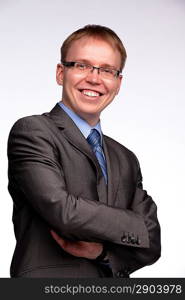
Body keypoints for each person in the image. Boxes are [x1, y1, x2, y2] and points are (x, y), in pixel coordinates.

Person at [7, 24, 161, 278]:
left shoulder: (126, 158)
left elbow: (152, 245)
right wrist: (138, 226)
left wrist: (100, 252)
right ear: (60, 73)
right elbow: (63, 212)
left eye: (107, 70)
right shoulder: (33, 131)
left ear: (118, 82)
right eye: (82, 65)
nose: (94, 78)